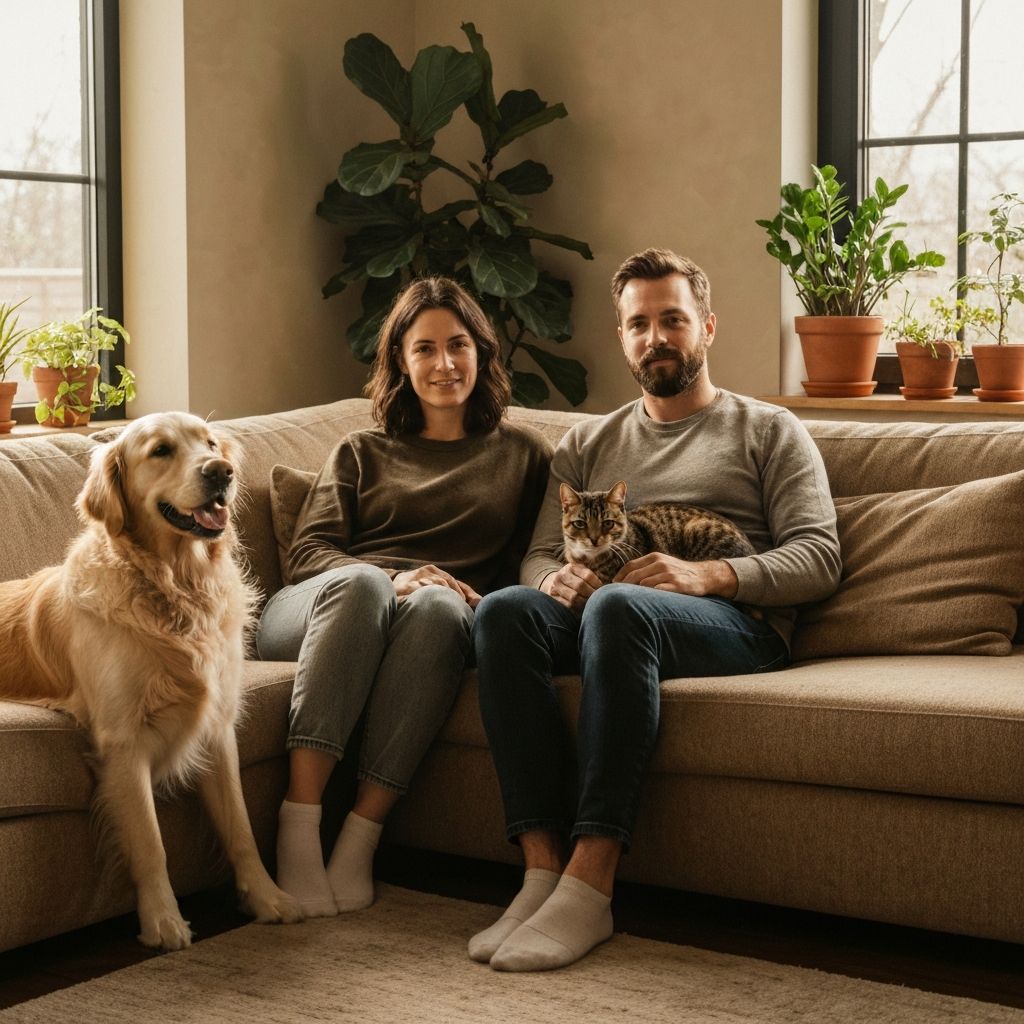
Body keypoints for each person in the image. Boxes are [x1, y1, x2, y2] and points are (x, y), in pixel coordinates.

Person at [468, 248, 841, 971]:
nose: (655, 337)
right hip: (614, 612)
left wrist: (709, 576)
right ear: (622, 337)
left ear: (706, 326)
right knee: (504, 612)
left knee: (618, 608)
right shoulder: (588, 442)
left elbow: (818, 557)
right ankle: (541, 868)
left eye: (672, 320)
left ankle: (591, 882)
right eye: (638, 324)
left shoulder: (768, 429)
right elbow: (541, 554)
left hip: (738, 628)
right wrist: (552, 584)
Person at [257, 276, 551, 918]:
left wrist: (454, 594)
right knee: (366, 584)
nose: (444, 364)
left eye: (458, 345)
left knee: (440, 606)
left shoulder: (525, 456)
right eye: (424, 349)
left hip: (433, 624)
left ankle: (360, 838)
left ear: (482, 352)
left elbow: (538, 562)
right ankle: (299, 823)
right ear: (399, 360)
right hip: (316, 612)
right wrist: (394, 578)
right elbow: (307, 556)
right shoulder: (360, 450)